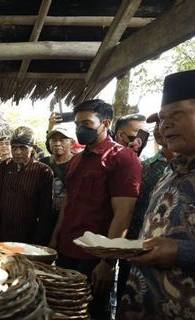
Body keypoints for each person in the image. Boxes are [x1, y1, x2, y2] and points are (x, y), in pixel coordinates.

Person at [51, 99, 141, 319]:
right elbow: (68, 202)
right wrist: (55, 239)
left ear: (106, 123)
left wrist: (108, 261)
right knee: (62, 309)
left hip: (93, 258)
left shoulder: (122, 158)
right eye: (78, 124)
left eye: (87, 123)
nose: (81, 128)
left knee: (90, 312)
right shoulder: (77, 160)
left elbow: (124, 213)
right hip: (66, 250)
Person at [117, 70, 195, 320]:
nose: (165, 125)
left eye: (176, 114)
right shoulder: (169, 173)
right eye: (162, 118)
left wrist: (180, 252)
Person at [0, 126, 53, 246]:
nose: (17, 152)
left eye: (23, 148)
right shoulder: (4, 166)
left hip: (28, 237)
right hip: (1, 234)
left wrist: (39, 241)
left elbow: (45, 212)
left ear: (33, 148)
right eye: (14, 148)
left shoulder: (43, 171)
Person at [41, 125, 75, 246]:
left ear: (71, 142)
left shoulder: (78, 162)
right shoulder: (42, 163)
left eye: (62, 140)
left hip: (69, 219)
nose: (57, 143)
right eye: (54, 140)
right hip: (46, 219)